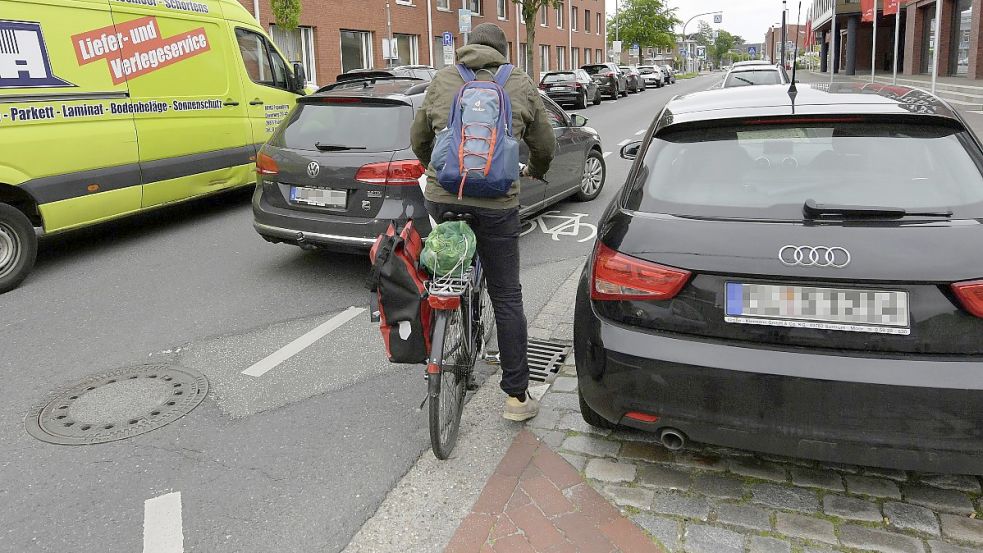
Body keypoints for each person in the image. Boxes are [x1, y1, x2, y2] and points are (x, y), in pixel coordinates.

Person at [410, 23, 556, 422]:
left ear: (467, 48)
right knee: (506, 295)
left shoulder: (443, 80)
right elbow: (545, 144)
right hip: (497, 203)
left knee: (444, 273)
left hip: (445, 196)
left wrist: (436, 172)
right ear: (503, 52)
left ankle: (445, 335)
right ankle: (516, 398)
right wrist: (536, 169)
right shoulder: (520, 82)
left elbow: (419, 138)